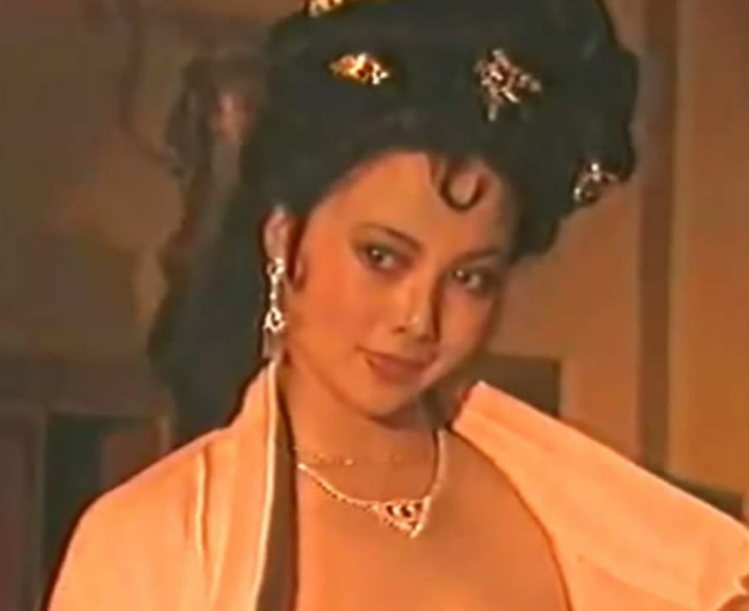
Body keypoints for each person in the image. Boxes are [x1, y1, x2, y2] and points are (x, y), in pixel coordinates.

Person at [47, 0, 749, 609]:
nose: (419, 318)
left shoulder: (560, 518)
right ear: (285, 239)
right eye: (382, 257)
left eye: (469, 277)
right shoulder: (149, 541)